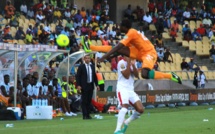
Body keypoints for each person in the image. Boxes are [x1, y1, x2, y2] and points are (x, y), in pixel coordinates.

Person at [93, 19, 181, 84]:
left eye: (121, 26)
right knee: (120, 49)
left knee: (144, 74)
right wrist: (104, 59)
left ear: (125, 27)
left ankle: (170, 75)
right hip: (139, 51)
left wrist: (103, 57)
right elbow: (118, 51)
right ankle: (91, 47)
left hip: (149, 52)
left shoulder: (131, 32)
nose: (119, 27)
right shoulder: (129, 34)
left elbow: (117, 47)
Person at [114, 55, 144, 134]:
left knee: (140, 109)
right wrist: (128, 62)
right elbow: (126, 76)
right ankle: (117, 130)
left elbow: (137, 75)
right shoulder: (121, 63)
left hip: (130, 89)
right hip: (122, 88)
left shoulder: (133, 62)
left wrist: (133, 65)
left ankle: (127, 121)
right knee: (124, 107)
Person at [76, 55, 100, 120]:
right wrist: (78, 85)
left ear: (90, 59)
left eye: (88, 58)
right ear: (84, 59)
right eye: (86, 58)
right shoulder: (81, 67)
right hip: (84, 86)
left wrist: (97, 85)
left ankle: (88, 114)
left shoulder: (92, 66)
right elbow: (78, 76)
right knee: (84, 101)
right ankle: (84, 115)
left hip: (90, 85)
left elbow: (94, 77)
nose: (87, 59)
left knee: (89, 101)